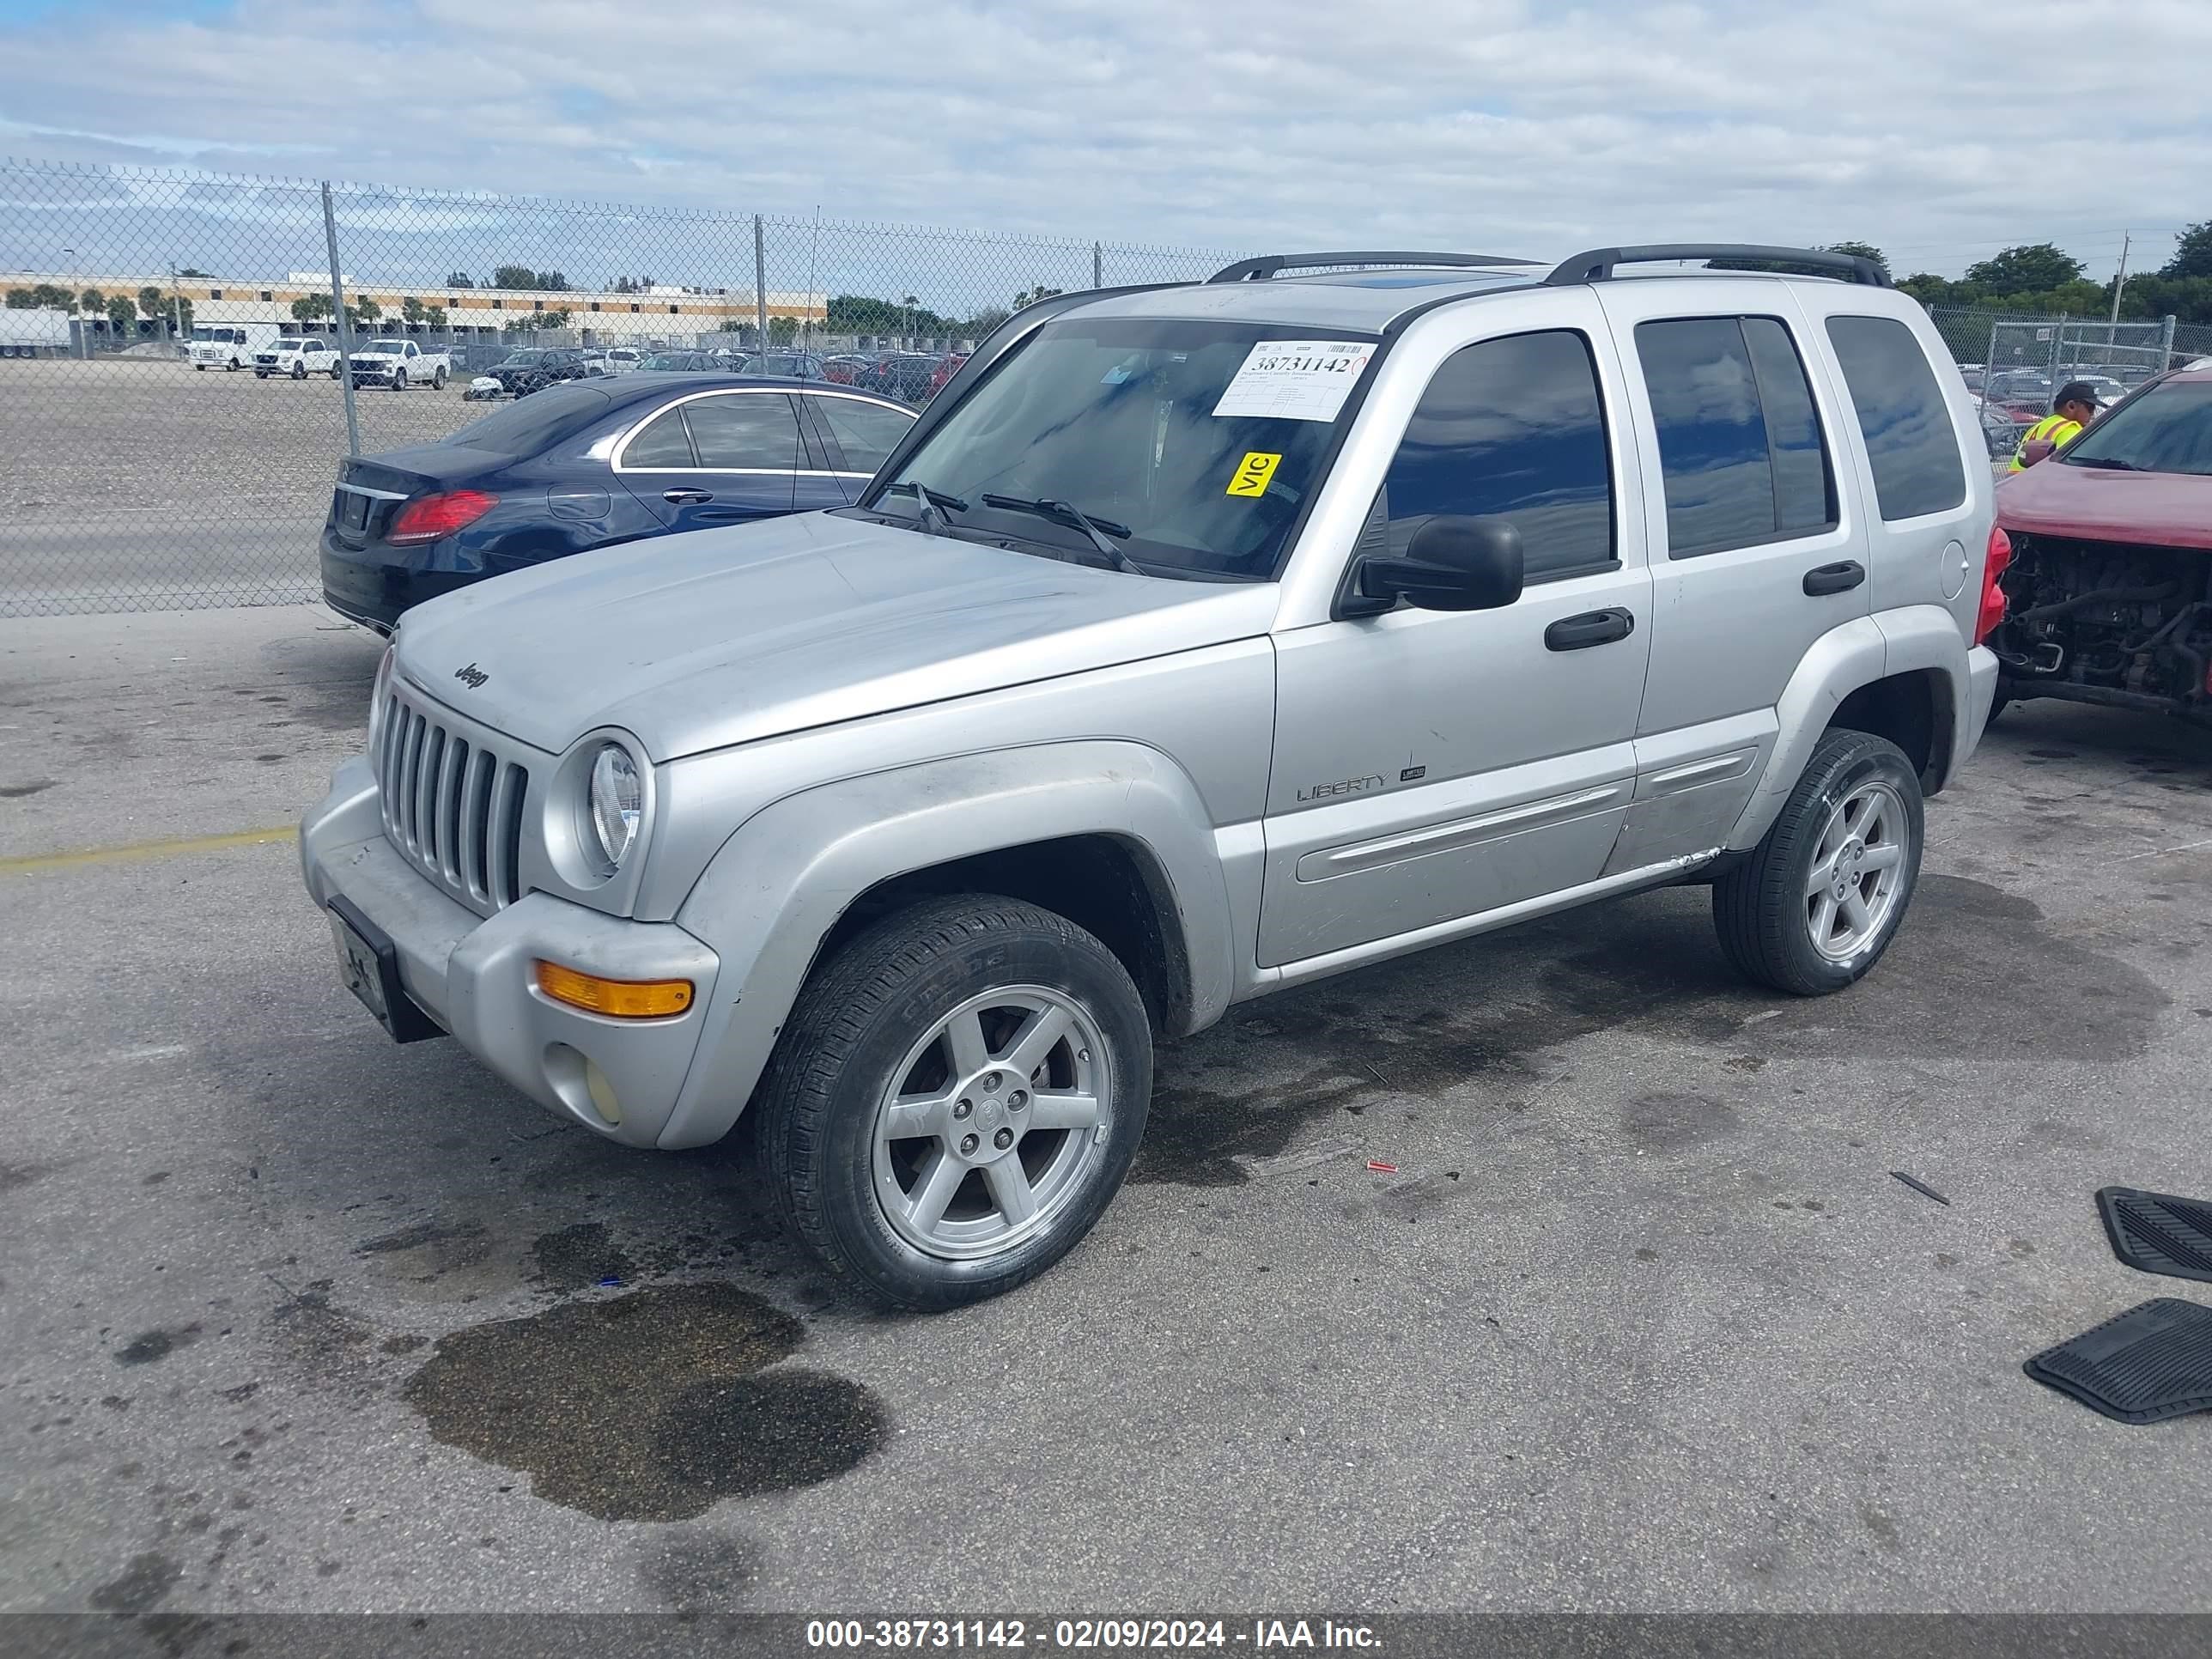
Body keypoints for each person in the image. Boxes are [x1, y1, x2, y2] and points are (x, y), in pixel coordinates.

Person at [2009, 381, 2100, 471]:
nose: (2092, 413)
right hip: (2037, 483)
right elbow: (2071, 470)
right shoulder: (2070, 429)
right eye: (2090, 407)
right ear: (2071, 406)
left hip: (2016, 480)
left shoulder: (2039, 426)